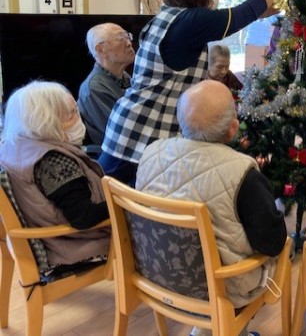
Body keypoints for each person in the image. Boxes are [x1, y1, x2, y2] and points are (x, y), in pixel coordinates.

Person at [99, 0, 295, 184]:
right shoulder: (190, 22)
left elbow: (244, 15)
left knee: (121, 198)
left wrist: (268, 8)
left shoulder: (171, 18)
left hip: (130, 128)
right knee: (119, 199)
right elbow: (240, 14)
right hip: (139, 135)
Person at [135, 80, 286, 310]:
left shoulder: (150, 153)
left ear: (181, 120)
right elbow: (272, 244)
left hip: (156, 273)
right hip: (220, 290)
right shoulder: (243, 173)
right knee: (284, 247)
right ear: (233, 128)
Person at [0, 81, 110, 268]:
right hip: (77, 247)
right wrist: (123, 203)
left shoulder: (15, 146)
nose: (79, 118)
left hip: (53, 242)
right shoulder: (53, 162)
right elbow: (83, 217)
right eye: (71, 115)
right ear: (47, 122)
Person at [78, 23, 136, 146]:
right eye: (120, 39)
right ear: (101, 50)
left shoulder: (124, 77)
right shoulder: (95, 87)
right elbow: (121, 133)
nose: (129, 43)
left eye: (127, 36)